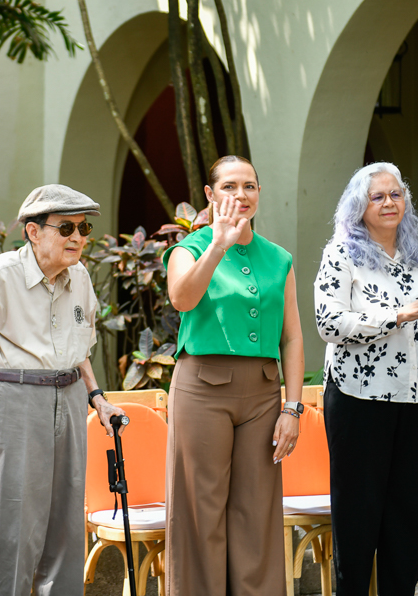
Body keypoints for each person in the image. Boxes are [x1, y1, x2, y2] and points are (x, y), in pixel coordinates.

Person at [0, 184, 126, 596]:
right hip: (16, 402)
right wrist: (11, 378)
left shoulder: (80, 277)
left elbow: (80, 350)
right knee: (17, 526)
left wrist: (97, 397)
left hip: (72, 397)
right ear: (33, 231)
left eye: (83, 228)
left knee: (68, 524)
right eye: (66, 228)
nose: (78, 237)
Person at [314, 162, 418, 596]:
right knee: (359, 515)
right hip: (359, 398)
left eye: (396, 194)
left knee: (412, 518)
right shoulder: (341, 254)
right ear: (358, 206)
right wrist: (398, 315)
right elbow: (329, 323)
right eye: (378, 196)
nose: (389, 202)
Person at [162, 155, 305, 596]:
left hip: (263, 394)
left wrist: (293, 408)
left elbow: (292, 338)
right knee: (199, 511)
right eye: (229, 186)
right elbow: (182, 299)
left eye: (249, 186)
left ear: (259, 193)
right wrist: (217, 245)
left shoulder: (279, 258)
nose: (240, 195)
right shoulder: (189, 249)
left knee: (257, 512)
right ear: (209, 194)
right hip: (202, 389)